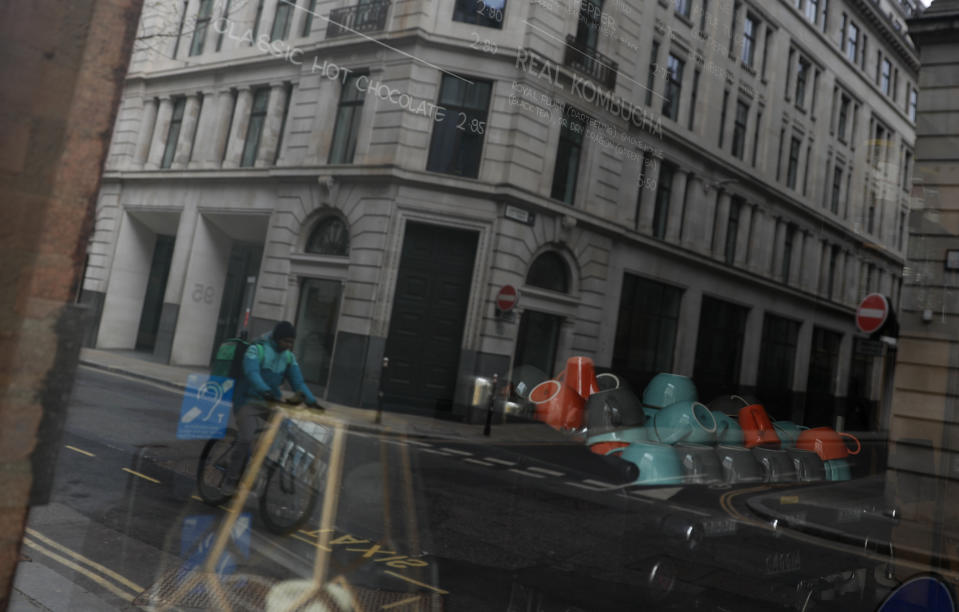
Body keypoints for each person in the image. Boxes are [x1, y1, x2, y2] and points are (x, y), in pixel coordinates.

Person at [224, 321, 321, 493]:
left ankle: (255, 469)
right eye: (285, 341)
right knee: (246, 437)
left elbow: (298, 382)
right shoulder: (257, 350)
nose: (288, 346)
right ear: (276, 339)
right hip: (247, 401)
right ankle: (230, 479)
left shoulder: (289, 357)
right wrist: (265, 390)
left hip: (270, 403)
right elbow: (251, 372)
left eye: (291, 342)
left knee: (284, 432)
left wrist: (312, 402)